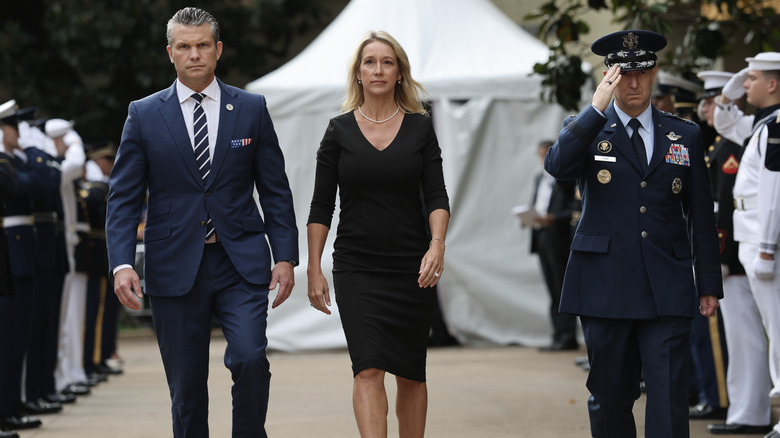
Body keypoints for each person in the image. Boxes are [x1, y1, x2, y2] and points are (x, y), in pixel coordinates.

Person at [105, 7, 298, 438]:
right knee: (187, 388)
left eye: (203, 45)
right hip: (173, 266)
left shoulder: (251, 108)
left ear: (219, 49)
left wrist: (285, 257)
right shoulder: (143, 113)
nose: (195, 54)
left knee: (249, 358)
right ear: (170, 53)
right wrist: (121, 264)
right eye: (185, 47)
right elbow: (123, 197)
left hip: (241, 261)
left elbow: (275, 190)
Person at [544, 30, 723, 438]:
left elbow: (700, 213)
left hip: (668, 285)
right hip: (605, 286)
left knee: (669, 398)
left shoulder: (685, 134)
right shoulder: (587, 128)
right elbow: (557, 166)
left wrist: (707, 281)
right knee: (610, 397)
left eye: (642, 73)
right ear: (610, 75)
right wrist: (594, 111)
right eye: (624, 74)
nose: (634, 83)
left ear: (654, 72)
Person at [306, 30, 450, 438]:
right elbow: (320, 207)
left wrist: (437, 245)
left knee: (410, 372)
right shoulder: (338, 131)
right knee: (368, 367)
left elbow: (437, 196)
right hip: (357, 266)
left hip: (412, 266)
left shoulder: (421, 129)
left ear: (400, 73)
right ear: (357, 73)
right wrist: (314, 268)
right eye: (370, 62)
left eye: (387, 62)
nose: (378, 69)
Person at [711, 52, 780, 438]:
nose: (746, 85)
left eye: (753, 79)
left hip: (763, 237)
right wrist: (736, 82)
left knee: (779, 331)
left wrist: (767, 248)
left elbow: (773, 191)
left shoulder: (777, 125)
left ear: (773, 85)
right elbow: (723, 120)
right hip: (752, 234)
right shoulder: (763, 122)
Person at [528, 140, 579, 351]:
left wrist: (554, 218)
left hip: (558, 236)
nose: (543, 159)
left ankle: (567, 335)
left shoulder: (565, 179)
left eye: (545, 154)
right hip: (542, 236)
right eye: (540, 155)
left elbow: (575, 210)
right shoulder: (539, 178)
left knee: (561, 286)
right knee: (551, 287)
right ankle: (558, 333)